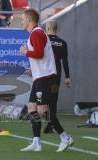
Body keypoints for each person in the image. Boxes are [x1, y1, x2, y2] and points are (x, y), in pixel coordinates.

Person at [19, 8, 73, 152]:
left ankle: (65, 137)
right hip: (39, 78)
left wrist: (25, 52)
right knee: (31, 108)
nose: (22, 21)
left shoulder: (36, 33)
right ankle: (36, 142)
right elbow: (42, 57)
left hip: (45, 78)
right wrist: (33, 70)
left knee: (43, 112)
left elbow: (38, 53)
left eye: (23, 19)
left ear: (29, 20)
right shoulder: (36, 33)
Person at [43, 20, 71, 134]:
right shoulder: (63, 43)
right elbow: (65, 61)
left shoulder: (44, 41)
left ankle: (49, 122)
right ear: (56, 29)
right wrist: (67, 77)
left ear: (48, 29)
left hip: (44, 75)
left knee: (42, 100)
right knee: (53, 100)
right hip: (56, 77)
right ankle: (51, 123)